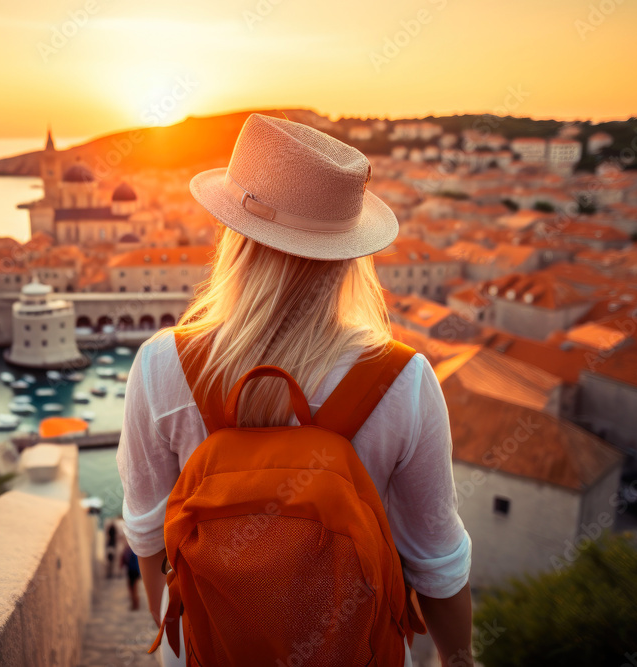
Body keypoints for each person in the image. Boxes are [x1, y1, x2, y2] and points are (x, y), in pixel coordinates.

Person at [116, 113, 473, 666]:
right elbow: (438, 560)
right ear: (350, 254)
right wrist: (459, 660)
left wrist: (186, 643)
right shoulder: (403, 379)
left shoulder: (162, 365)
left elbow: (146, 534)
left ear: (234, 237)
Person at [120, 543, 141, 611]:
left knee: (133, 588)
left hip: (133, 571)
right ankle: (135, 604)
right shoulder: (133, 550)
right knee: (133, 588)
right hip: (133, 571)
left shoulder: (131, 550)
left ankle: (135, 604)